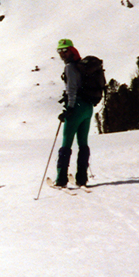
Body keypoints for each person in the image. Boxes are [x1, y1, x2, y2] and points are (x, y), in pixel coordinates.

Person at [55, 38, 92, 187]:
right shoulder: (82, 65)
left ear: (71, 50)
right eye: (59, 51)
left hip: (76, 107)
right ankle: (82, 178)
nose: (62, 54)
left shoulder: (70, 67)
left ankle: (61, 179)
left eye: (64, 51)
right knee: (83, 143)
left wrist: (69, 108)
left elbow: (71, 89)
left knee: (66, 144)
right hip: (88, 107)